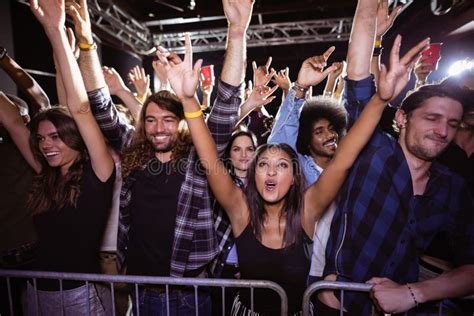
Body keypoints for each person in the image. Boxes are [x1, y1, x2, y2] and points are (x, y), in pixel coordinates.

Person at [158, 28, 422, 315]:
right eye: (263, 165)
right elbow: (209, 157)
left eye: (281, 165)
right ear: (253, 175)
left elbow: (345, 158)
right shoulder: (240, 210)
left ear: (294, 176)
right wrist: (188, 100)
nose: (271, 172)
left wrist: (380, 100)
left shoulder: (307, 210)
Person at [71, 0, 254, 313]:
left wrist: (236, 34)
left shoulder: (199, 157)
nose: (158, 128)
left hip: (190, 291)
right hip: (143, 291)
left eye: (168, 120)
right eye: (151, 119)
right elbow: (100, 106)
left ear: (182, 122)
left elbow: (225, 105)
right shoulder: (135, 150)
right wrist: (87, 43)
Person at [319, 0, 474, 314]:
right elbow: (358, 77)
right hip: (343, 304)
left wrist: (413, 293)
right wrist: (367, 12)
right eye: (432, 118)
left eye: (452, 123)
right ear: (402, 117)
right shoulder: (373, 151)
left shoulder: (451, 187)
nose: (443, 130)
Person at [4, 0, 116, 314]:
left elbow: (79, 109)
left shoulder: (98, 172)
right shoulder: (46, 172)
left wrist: (54, 32)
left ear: (75, 138)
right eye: (40, 139)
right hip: (36, 291)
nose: (46, 145)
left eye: (55, 137)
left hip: (80, 294)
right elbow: (13, 121)